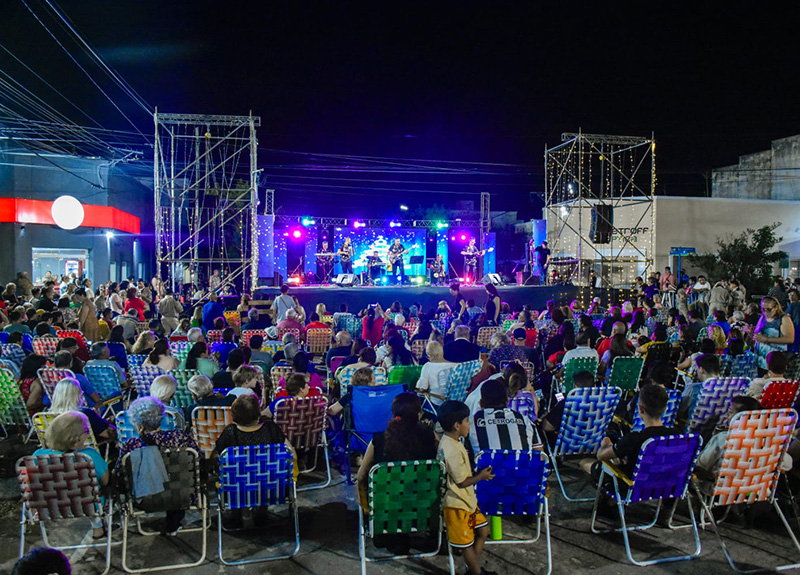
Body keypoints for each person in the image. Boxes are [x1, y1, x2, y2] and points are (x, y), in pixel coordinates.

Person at [116, 396, 199, 535]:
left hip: (145, 498)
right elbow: (198, 462)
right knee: (175, 479)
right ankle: (174, 522)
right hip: (182, 495)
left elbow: (120, 475)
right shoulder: (180, 438)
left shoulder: (131, 446)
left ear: (139, 426)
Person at [437, 400, 494, 575]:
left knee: (484, 530)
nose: (469, 424)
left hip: (467, 501)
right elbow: (461, 481)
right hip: (456, 504)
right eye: (467, 421)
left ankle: (472, 569)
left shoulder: (454, 441)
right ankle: (476, 572)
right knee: (466, 544)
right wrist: (481, 476)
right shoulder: (450, 448)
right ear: (457, 425)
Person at [33, 411, 109, 538]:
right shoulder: (89, 456)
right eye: (85, 431)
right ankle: (98, 528)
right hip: (87, 504)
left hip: (51, 507)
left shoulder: (38, 455)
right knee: (94, 492)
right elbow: (105, 481)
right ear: (77, 438)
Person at [596, 384, 678, 476]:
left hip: (630, 486)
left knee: (585, 462)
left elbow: (600, 456)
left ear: (640, 409)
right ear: (665, 409)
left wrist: (606, 442)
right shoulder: (677, 436)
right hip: (665, 486)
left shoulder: (634, 439)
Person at [468, 378, 538, 455]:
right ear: (507, 401)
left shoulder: (471, 422)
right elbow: (539, 453)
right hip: (520, 466)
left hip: (488, 466)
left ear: (481, 403)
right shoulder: (524, 420)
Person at [214, 394, 288, 455]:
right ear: (258, 413)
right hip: (269, 472)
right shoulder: (271, 429)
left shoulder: (230, 432)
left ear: (234, 414)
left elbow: (217, 457)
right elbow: (290, 452)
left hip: (239, 472)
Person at [49, 377, 115, 444]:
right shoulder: (84, 414)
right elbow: (107, 434)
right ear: (77, 395)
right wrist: (98, 418)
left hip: (58, 451)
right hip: (86, 451)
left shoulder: (48, 415)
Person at [753, 296, 795, 371]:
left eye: (769, 310)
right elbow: (757, 335)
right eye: (763, 309)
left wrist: (767, 339)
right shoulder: (762, 317)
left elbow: (790, 339)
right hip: (760, 360)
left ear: (776, 308)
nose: (765, 312)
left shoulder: (784, 319)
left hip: (776, 361)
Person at [415, 341, 455, 406]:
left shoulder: (428, 366)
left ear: (430, 355)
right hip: (454, 403)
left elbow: (422, 388)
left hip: (436, 404)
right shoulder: (455, 366)